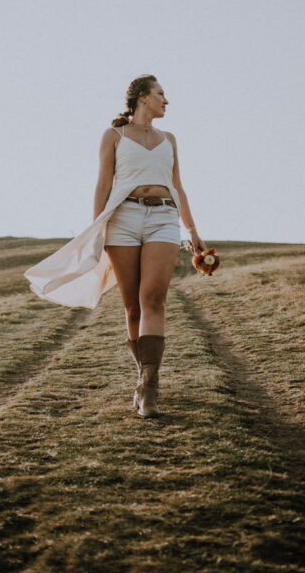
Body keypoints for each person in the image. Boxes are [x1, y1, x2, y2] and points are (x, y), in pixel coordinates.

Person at [23, 74, 206, 418]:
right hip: (123, 219)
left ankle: (149, 388)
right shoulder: (114, 136)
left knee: (153, 299)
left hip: (164, 218)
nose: (166, 100)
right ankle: (142, 378)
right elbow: (103, 185)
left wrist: (192, 229)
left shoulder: (169, 139)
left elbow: (178, 186)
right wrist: (97, 227)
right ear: (142, 97)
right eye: (161, 94)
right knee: (132, 307)